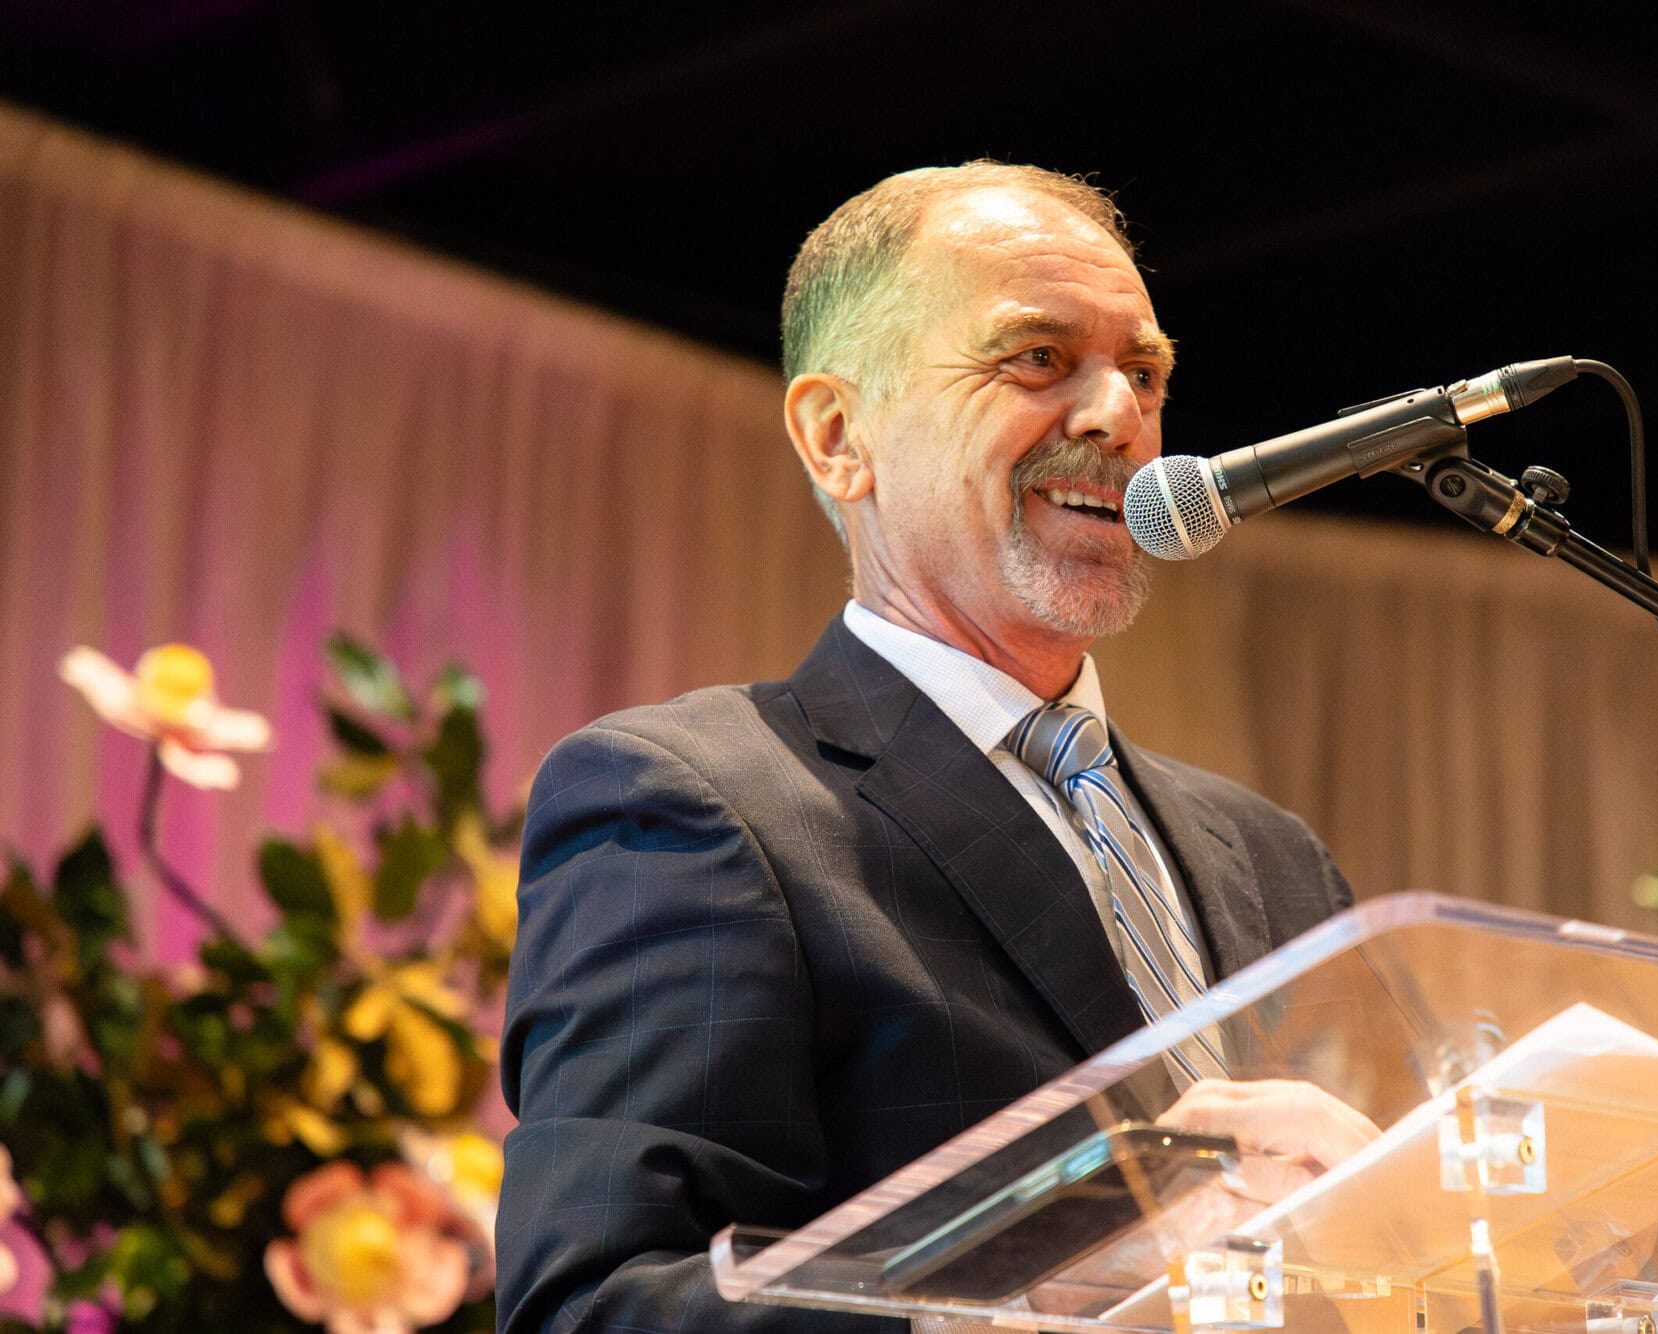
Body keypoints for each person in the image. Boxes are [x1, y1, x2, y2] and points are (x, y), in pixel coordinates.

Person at [496, 162, 1363, 1334]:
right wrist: (1067, 1267)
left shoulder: (1271, 855)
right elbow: (596, 1306)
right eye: (1038, 357)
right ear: (837, 434)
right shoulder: (694, 802)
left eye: (1144, 372)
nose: (1118, 418)